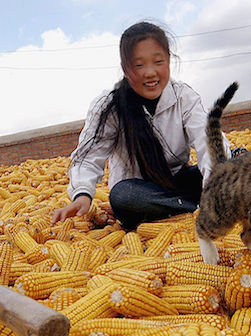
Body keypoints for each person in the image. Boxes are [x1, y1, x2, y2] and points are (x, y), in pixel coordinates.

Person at [51, 21, 233, 230]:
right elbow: (89, 157)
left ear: (169, 62)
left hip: (177, 180)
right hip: (140, 189)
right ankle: (199, 206)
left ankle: (188, 204)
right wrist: (82, 194)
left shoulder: (184, 97)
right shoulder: (109, 107)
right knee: (124, 198)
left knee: (237, 161)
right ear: (125, 68)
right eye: (139, 65)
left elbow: (207, 141)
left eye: (158, 61)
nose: (150, 73)